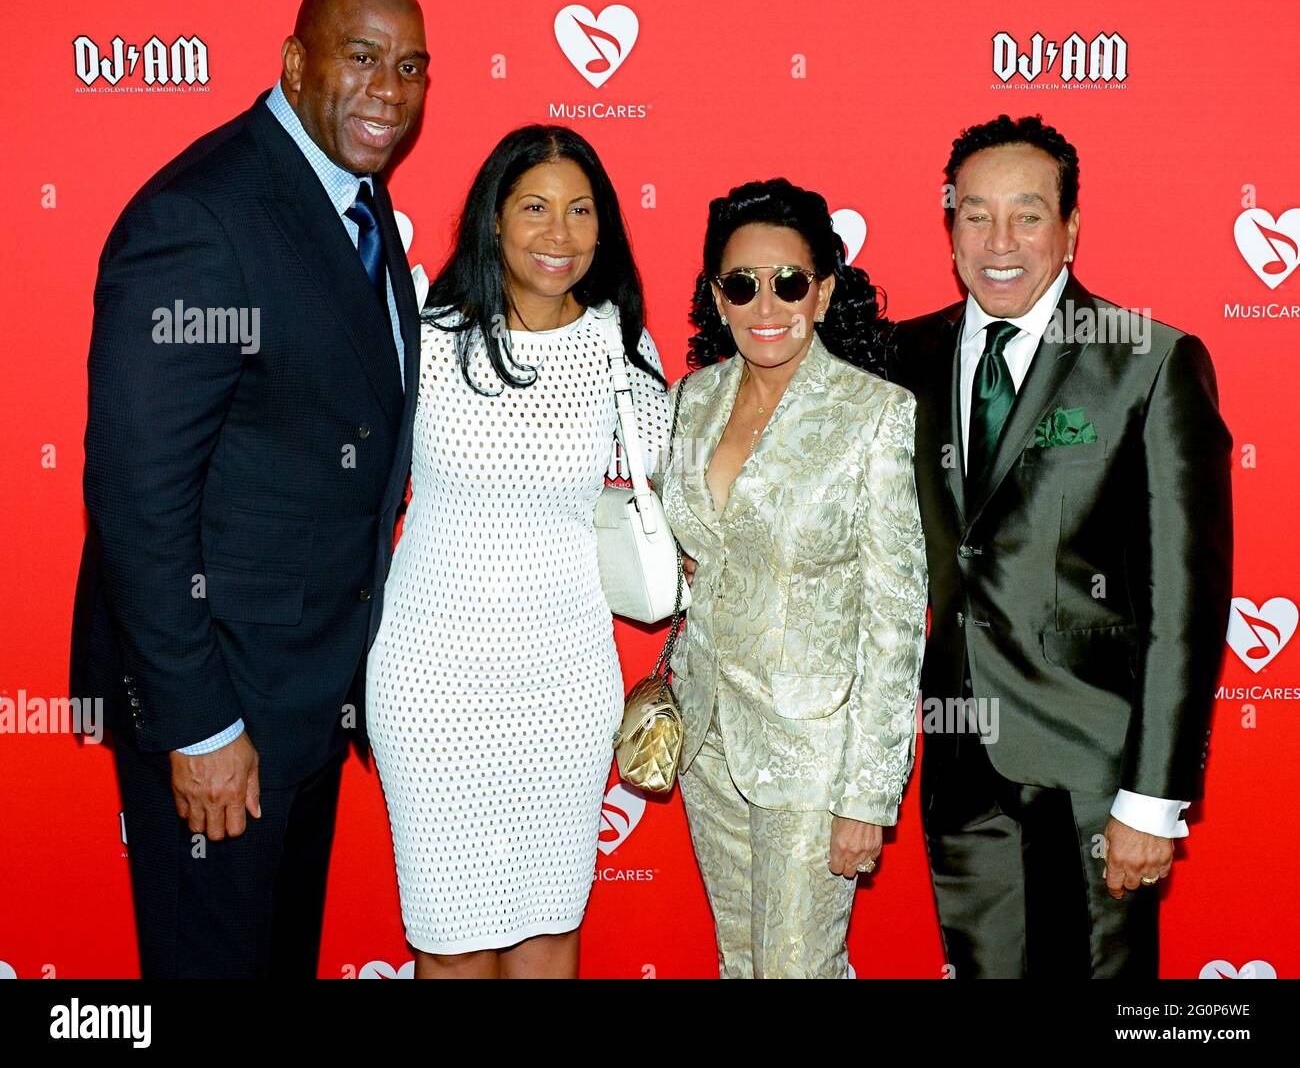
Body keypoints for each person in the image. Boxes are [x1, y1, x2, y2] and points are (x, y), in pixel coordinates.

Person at [69, 0, 428, 978]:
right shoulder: (205, 215)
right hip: (219, 701)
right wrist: (200, 723)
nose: (388, 90)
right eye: (361, 58)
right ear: (294, 63)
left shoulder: (351, 204)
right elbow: (140, 497)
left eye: (409, 68)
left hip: (307, 698)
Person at [891, 114, 1233, 978]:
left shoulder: (1149, 363)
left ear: (1071, 228)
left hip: (1095, 774)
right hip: (963, 761)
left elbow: (1184, 607)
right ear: (950, 228)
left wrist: (1151, 801)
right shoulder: (906, 356)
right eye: (975, 214)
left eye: (1028, 213)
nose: (999, 241)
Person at [365, 124, 670, 979]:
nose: (558, 234)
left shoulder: (619, 346)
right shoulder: (423, 331)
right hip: (431, 679)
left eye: (580, 211)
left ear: (604, 227)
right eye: (534, 207)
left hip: (564, 681)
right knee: (450, 939)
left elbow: (676, 488)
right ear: (493, 219)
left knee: (548, 931)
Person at [657, 178, 928, 978]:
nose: (765, 303)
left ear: (825, 290)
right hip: (709, 740)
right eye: (741, 284)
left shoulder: (874, 413)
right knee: (742, 963)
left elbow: (894, 615)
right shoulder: (693, 398)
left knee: (796, 969)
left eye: (790, 281)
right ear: (717, 294)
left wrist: (868, 794)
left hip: (815, 753)